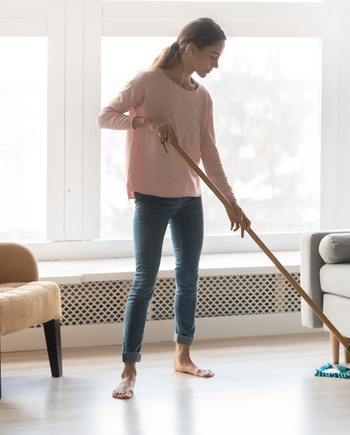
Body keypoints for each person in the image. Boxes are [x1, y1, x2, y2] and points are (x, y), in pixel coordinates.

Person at [97, 17, 250, 400]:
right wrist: (143, 121)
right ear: (191, 49)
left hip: (189, 199)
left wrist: (231, 202)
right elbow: (105, 117)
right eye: (212, 55)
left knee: (188, 279)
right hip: (151, 197)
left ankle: (183, 355)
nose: (216, 64)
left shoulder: (202, 96)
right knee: (144, 280)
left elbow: (209, 153)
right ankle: (129, 369)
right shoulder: (147, 82)